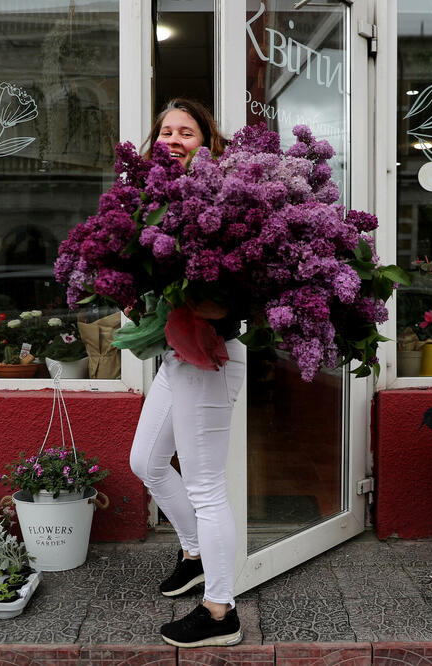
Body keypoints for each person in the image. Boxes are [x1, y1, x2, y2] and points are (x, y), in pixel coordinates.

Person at [128, 98, 245, 648]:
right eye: (166, 131)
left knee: (205, 486)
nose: (173, 139)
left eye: (187, 131)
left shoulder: (226, 195)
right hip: (175, 357)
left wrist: (205, 301)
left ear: (208, 141)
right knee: (146, 462)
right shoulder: (151, 199)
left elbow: (242, 296)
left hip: (213, 356)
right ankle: (195, 553)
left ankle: (221, 612)